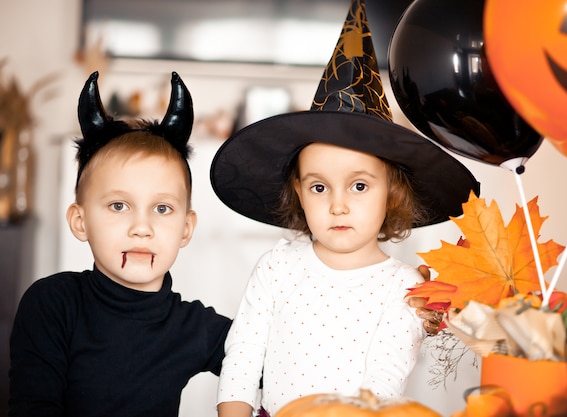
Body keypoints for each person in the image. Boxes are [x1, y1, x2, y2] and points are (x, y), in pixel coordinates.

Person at [209, 1, 480, 416]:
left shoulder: (404, 289)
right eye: (319, 187)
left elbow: (383, 384)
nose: (337, 205)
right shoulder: (277, 267)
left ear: (391, 192)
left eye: (358, 185)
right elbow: (243, 357)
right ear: (298, 192)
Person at [8, 71, 232, 417]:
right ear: (80, 222)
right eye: (118, 206)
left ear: (185, 229)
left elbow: (273, 358)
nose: (142, 227)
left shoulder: (194, 327)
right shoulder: (53, 304)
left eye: (162, 208)